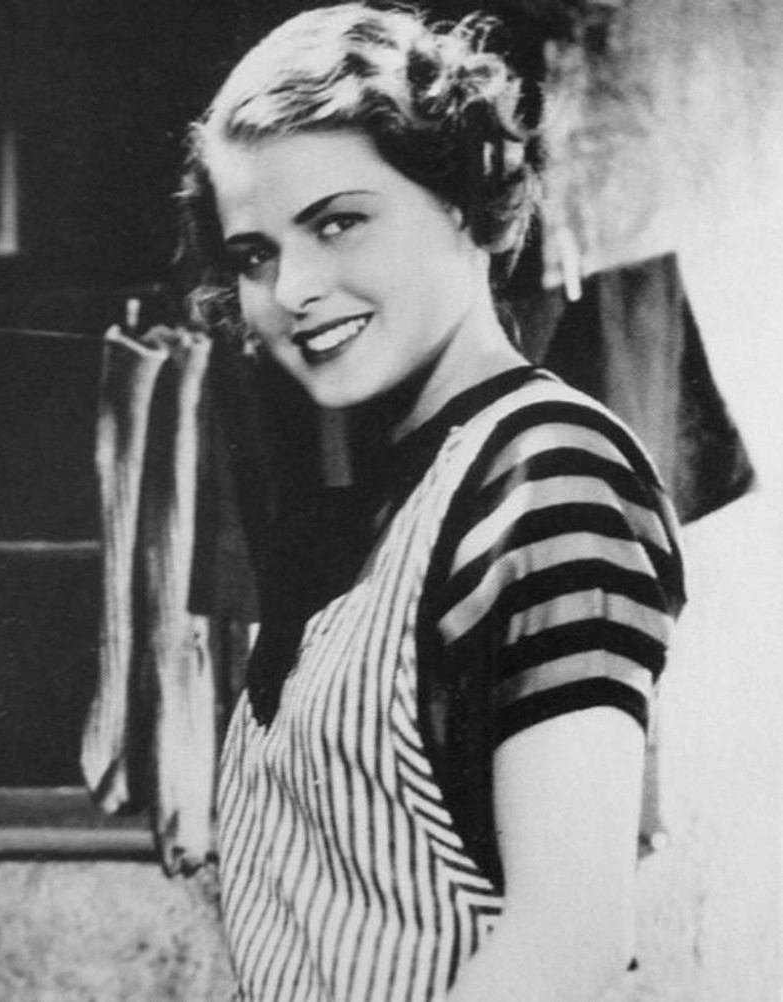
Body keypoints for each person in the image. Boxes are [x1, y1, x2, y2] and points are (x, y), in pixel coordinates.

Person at [179, 4, 685, 1000]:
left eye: (338, 222)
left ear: (462, 201)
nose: (292, 288)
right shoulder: (391, 498)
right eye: (253, 255)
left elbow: (568, 944)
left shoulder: (547, 476)